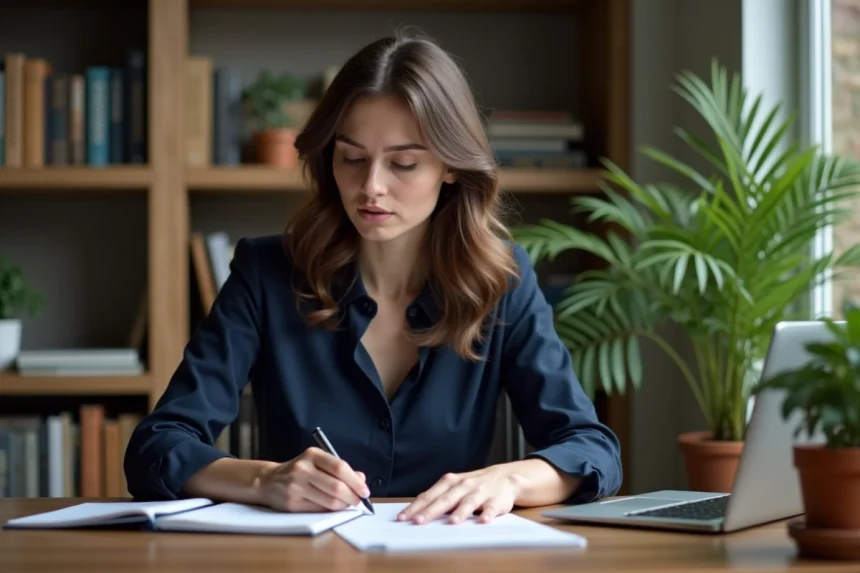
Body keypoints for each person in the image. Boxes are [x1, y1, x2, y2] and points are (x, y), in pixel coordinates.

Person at [123, 31, 622, 525]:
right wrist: (262, 480)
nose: (371, 187)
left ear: (451, 166)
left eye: (403, 163)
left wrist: (508, 480)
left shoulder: (503, 283)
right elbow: (158, 446)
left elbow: (592, 450)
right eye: (352, 159)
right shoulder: (265, 275)